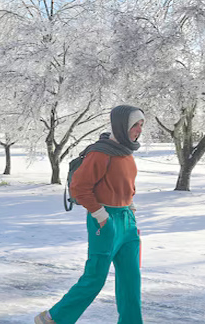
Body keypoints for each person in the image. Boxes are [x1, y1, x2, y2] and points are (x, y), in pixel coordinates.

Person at [35, 105, 145, 324]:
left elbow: (124, 185)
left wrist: (130, 210)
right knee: (95, 278)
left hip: (127, 221)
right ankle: (54, 318)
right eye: (135, 124)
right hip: (104, 221)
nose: (139, 129)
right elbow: (79, 188)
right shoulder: (101, 152)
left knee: (131, 280)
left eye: (141, 124)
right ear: (121, 125)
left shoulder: (126, 152)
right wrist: (102, 216)